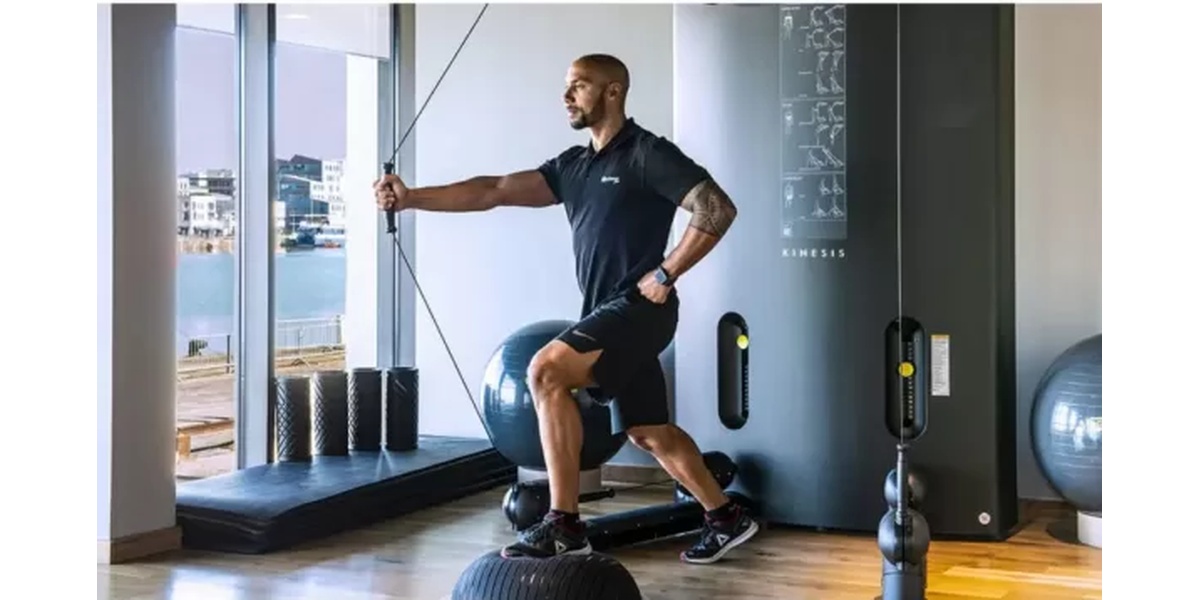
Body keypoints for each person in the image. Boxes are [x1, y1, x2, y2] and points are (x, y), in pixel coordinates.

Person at [374, 53, 758, 564]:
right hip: (608, 312)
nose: (567, 96)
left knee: (545, 371)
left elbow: (716, 207)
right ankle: (726, 516)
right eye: (567, 86)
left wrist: (667, 272)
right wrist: (410, 197)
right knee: (648, 432)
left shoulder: (648, 154)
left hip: (640, 309)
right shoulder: (574, 167)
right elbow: (494, 191)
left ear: (613, 91)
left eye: (579, 86)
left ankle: (564, 522)